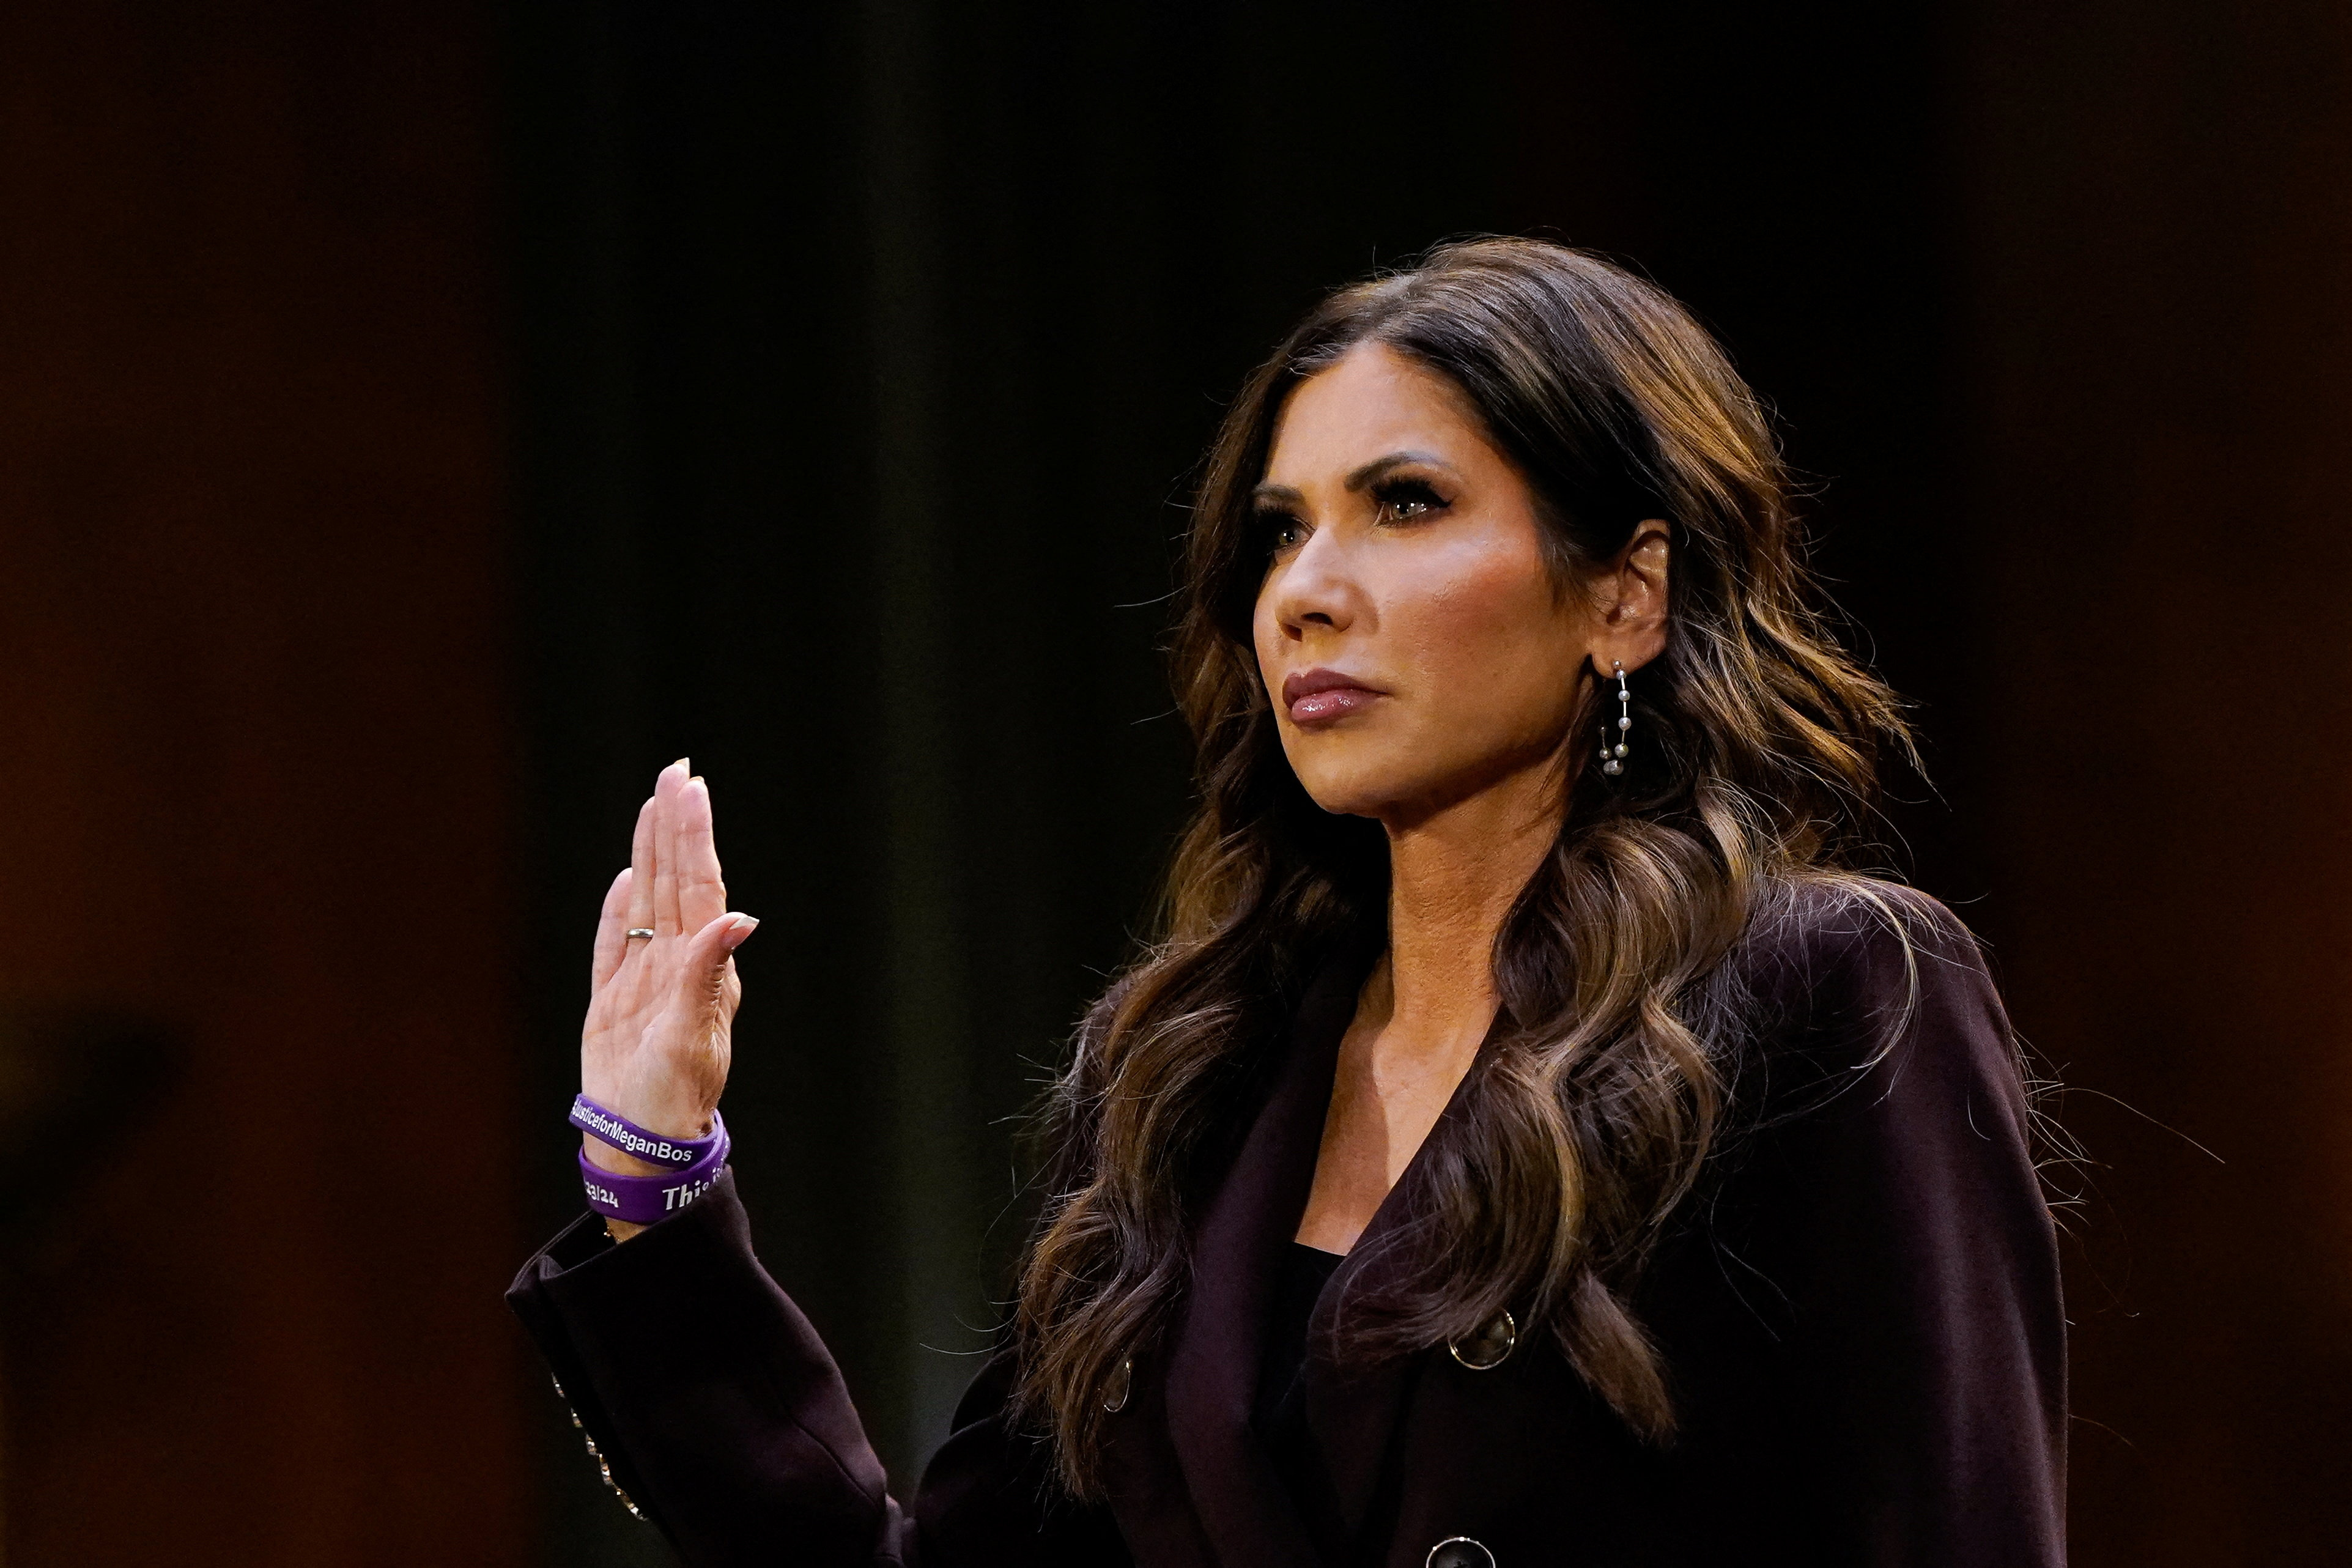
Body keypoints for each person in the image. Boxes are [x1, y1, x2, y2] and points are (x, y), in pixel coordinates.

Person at [509, 239, 2065, 1568]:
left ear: (1623, 596)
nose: (1307, 588)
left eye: (1404, 503)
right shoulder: (1190, 1071)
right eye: (1280, 529)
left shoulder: (1822, 994)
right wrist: (656, 1186)